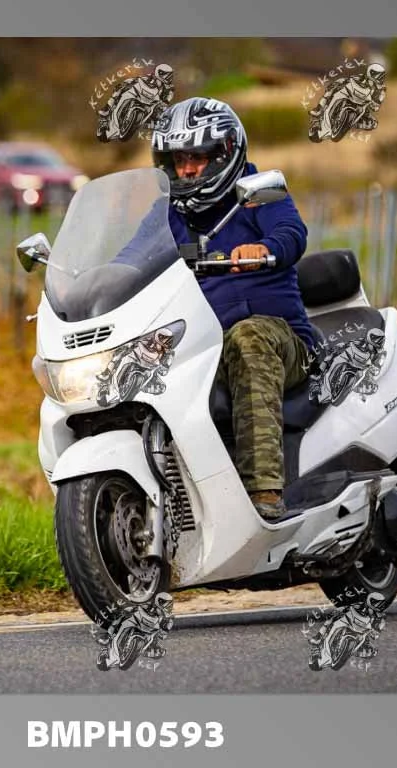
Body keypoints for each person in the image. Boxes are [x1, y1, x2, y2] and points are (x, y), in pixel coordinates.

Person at [151, 97, 318, 522]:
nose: (187, 170)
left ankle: (264, 491)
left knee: (248, 337)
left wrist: (264, 248)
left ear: (224, 154)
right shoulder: (167, 212)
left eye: (197, 158)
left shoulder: (258, 191)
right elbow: (131, 254)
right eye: (178, 160)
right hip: (201, 342)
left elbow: (291, 231)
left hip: (281, 340)